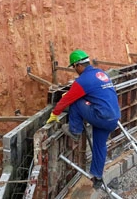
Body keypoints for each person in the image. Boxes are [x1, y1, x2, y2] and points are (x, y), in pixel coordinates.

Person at [46, 49, 121, 189]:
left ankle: (75, 130)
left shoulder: (82, 80)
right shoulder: (101, 74)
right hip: (113, 117)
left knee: (75, 101)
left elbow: (68, 99)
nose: (76, 71)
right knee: (100, 146)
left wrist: (55, 113)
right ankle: (97, 177)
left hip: (101, 116)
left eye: (75, 68)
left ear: (78, 66)